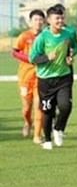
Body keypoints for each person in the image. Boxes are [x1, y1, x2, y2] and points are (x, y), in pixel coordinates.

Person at [29, 4, 77, 150]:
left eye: (62, 18)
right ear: (49, 20)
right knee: (48, 111)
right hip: (45, 80)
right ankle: (47, 140)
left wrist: (70, 56)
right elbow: (32, 57)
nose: (60, 21)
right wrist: (46, 57)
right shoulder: (42, 37)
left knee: (66, 106)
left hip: (63, 77)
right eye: (57, 18)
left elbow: (74, 48)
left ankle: (58, 128)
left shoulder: (67, 34)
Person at [12, 9, 45, 143]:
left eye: (40, 20)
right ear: (30, 22)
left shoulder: (46, 37)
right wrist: (30, 59)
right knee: (26, 108)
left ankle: (37, 135)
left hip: (41, 76)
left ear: (44, 21)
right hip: (25, 77)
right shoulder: (24, 36)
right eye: (35, 20)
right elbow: (14, 52)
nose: (38, 22)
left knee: (38, 105)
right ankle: (27, 122)